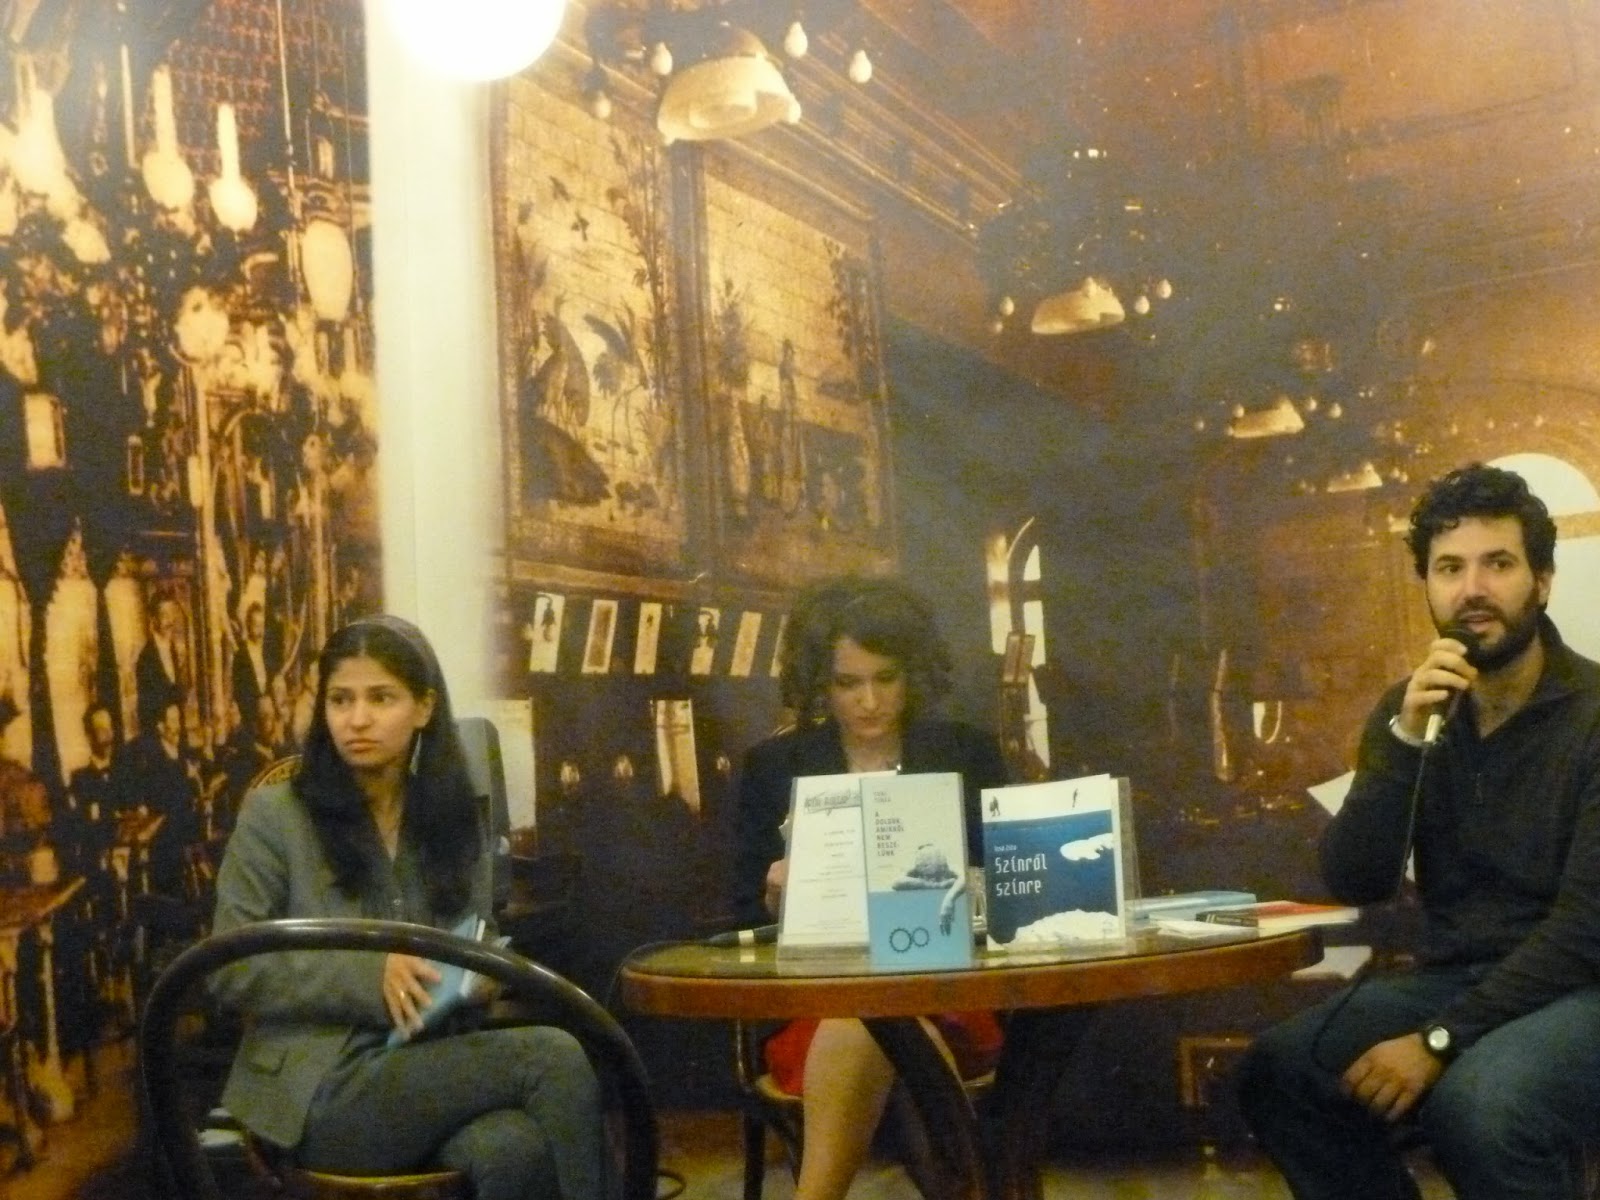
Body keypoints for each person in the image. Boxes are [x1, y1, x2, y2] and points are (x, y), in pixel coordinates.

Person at [1236, 463, 1600, 1200]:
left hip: (1581, 986)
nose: (1473, 589)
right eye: (1450, 568)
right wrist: (1402, 740)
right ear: (1428, 586)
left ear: (1542, 582)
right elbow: (1355, 880)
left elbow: (1586, 928)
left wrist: (1440, 1039)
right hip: (1457, 977)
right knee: (1280, 1068)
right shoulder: (1408, 711)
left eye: (1499, 564)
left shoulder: (1594, 713)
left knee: (1481, 1105)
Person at [210, 615, 607, 1200]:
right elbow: (230, 968)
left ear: (423, 707)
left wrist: (479, 980)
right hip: (318, 1090)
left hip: (425, 1069)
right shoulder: (276, 815)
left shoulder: (454, 817)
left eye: (380, 698)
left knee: (514, 1150)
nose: (357, 719)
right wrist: (370, 977)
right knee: (554, 1055)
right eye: (340, 700)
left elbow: (476, 939)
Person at [731, 576, 1008, 1200]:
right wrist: (776, 897)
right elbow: (741, 918)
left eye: (886, 678)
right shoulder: (775, 767)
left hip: (948, 993)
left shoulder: (965, 753)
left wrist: (967, 888)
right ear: (819, 684)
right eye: (847, 683)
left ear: (913, 673)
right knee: (878, 1025)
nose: (869, 701)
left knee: (889, 1026)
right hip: (820, 1005)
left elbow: (1009, 886)